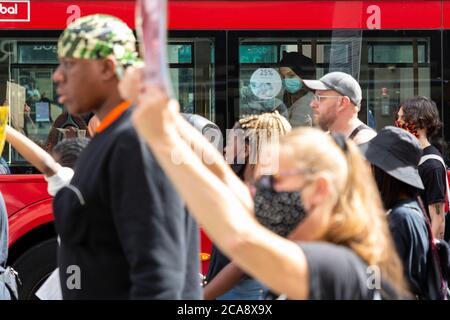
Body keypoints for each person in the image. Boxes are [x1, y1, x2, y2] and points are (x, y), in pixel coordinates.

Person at [130, 83, 410, 299]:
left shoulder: (333, 264)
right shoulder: (330, 250)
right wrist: (170, 122)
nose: (265, 189)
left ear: (319, 190)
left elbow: (243, 238)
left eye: (276, 179)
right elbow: (232, 190)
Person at [51, 14, 201, 299]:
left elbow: (158, 276)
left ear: (107, 68)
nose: (58, 75)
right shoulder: (112, 136)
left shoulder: (135, 141)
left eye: (69, 64)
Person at [204, 112, 299, 300]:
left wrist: (202, 296)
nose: (224, 148)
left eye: (230, 142)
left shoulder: (260, 194)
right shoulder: (266, 189)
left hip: (244, 293)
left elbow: (240, 264)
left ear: (246, 150)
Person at [360, 126, 434, 299]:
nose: (367, 170)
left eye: (371, 164)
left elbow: (390, 286)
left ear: (384, 172)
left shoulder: (401, 219)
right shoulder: (404, 212)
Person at [396, 96, 447, 240]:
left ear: (421, 122)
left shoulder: (432, 166)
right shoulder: (410, 155)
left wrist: (429, 256)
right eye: (398, 117)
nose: (398, 122)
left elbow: (438, 220)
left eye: (403, 118)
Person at [303, 71, 376, 145]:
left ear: (343, 103)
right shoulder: (324, 140)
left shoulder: (367, 145)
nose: (312, 104)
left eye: (320, 98)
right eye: (314, 98)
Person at [279, 52, 316, 128]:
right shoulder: (289, 98)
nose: (286, 80)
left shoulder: (308, 101)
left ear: (303, 75)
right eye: (283, 76)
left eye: (291, 75)